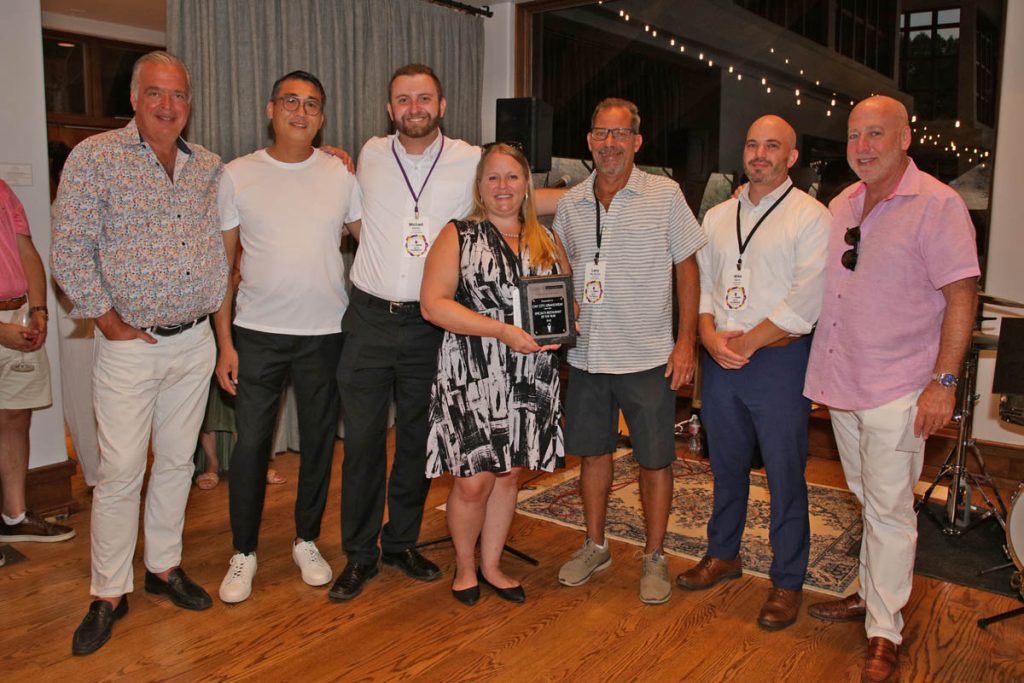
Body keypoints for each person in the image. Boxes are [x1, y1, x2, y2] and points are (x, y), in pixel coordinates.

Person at [330, 64, 562, 601]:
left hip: (429, 328)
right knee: (362, 444)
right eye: (404, 99)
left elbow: (516, 195)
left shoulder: (468, 160)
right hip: (368, 317)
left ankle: (402, 542)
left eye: (424, 98)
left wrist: (594, 188)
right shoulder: (365, 154)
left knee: (417, 442)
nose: (415, 107)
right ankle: (359, 556)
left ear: (442, 104)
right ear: (390, 109)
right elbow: (349, 210)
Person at [52, 51, 227, 655]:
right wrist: (108, 320)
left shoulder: (207, 165)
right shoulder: (94, 158)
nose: (167, 105)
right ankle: (107, 592)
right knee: (122, 469)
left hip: (195, 341)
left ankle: (163, 567)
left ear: (188, 102)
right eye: (155, 93)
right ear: (133, 98)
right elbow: (70, 251)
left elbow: (229, 232)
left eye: (178, 94)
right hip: (131, 346)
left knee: (179, 463)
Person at [803, 96, 979, 683]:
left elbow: (961, 298)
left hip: (902, 387)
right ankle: (868, 592)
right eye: (855, 135)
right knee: (866, 497)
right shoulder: (842, 204)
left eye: (876, 134)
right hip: (843, 383)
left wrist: (943, 382)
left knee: (891, 508)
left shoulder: (939, 205)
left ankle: (884, 628)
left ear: (906, 138)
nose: (863, 146)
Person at [676, 115, 830, 630]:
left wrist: (747, 341)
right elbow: (708, 287)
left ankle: (787, 582)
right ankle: (724, 554)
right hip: (721, 359)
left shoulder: (811, 217)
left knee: (786, 475)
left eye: (772, 146)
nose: (759, 154)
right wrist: (705, 335)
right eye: (752, 144)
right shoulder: (718, 215)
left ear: (792, 157)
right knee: (726, 466)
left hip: (779, 362)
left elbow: (806, 297)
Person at [213, 70, 360, 604]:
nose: (301, 112)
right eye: (291, 102)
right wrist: (225, 344)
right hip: (256, 335)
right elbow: (224, 269)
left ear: (322, 117)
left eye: (313, 104)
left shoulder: (342, 175)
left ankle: (306, 539)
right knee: (251, 445)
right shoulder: (236, 174)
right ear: (271, 109)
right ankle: (244, 552)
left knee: (320, 443)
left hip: (325, 334)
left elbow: (372, 247)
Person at [554, 98, 704, 604]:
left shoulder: (664, 195)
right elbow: (564, 275)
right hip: (588, 357)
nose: (610, 143)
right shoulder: (572, 204)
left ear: (637, 142)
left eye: (621, 134)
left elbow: (688, 267)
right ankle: (595, 545)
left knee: (655, 459)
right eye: (601, 133)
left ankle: (654, 556)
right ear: (589, 141)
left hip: (647, 356)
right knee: (593, 455)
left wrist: (686, 343)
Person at [420, 143, 570, 606]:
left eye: (512, 177)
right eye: (493, 178)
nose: (503, 186)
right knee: (473, 479)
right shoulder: (458, 235)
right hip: (473, 373)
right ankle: (465, 567)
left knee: (508, 476)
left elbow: (565, 296)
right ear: (480, 186)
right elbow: (433, 304)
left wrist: (567, 323)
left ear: (527, 184)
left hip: (529, 374)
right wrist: (502, 331)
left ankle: (492, 565)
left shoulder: (546, 238)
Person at [0, 180, 75, 569]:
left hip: (17, 313)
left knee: (15, 418)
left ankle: (14, 518)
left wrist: (40, 310)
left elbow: (26, 250)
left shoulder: (2, 190)